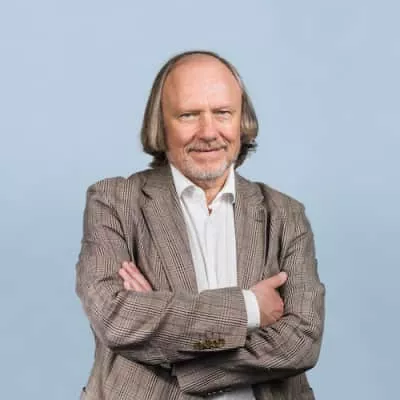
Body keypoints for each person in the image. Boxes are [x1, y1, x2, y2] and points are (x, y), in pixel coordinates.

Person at [76, 50, 325, 400]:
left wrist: (168, 342)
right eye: (188, 115)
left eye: (223, 113)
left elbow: (301, 341)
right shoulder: (113, 202)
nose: (208, 132)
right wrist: (251, 308)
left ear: (241, 121)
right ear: (161, 124)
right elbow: (115, 318)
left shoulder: (286, 214)